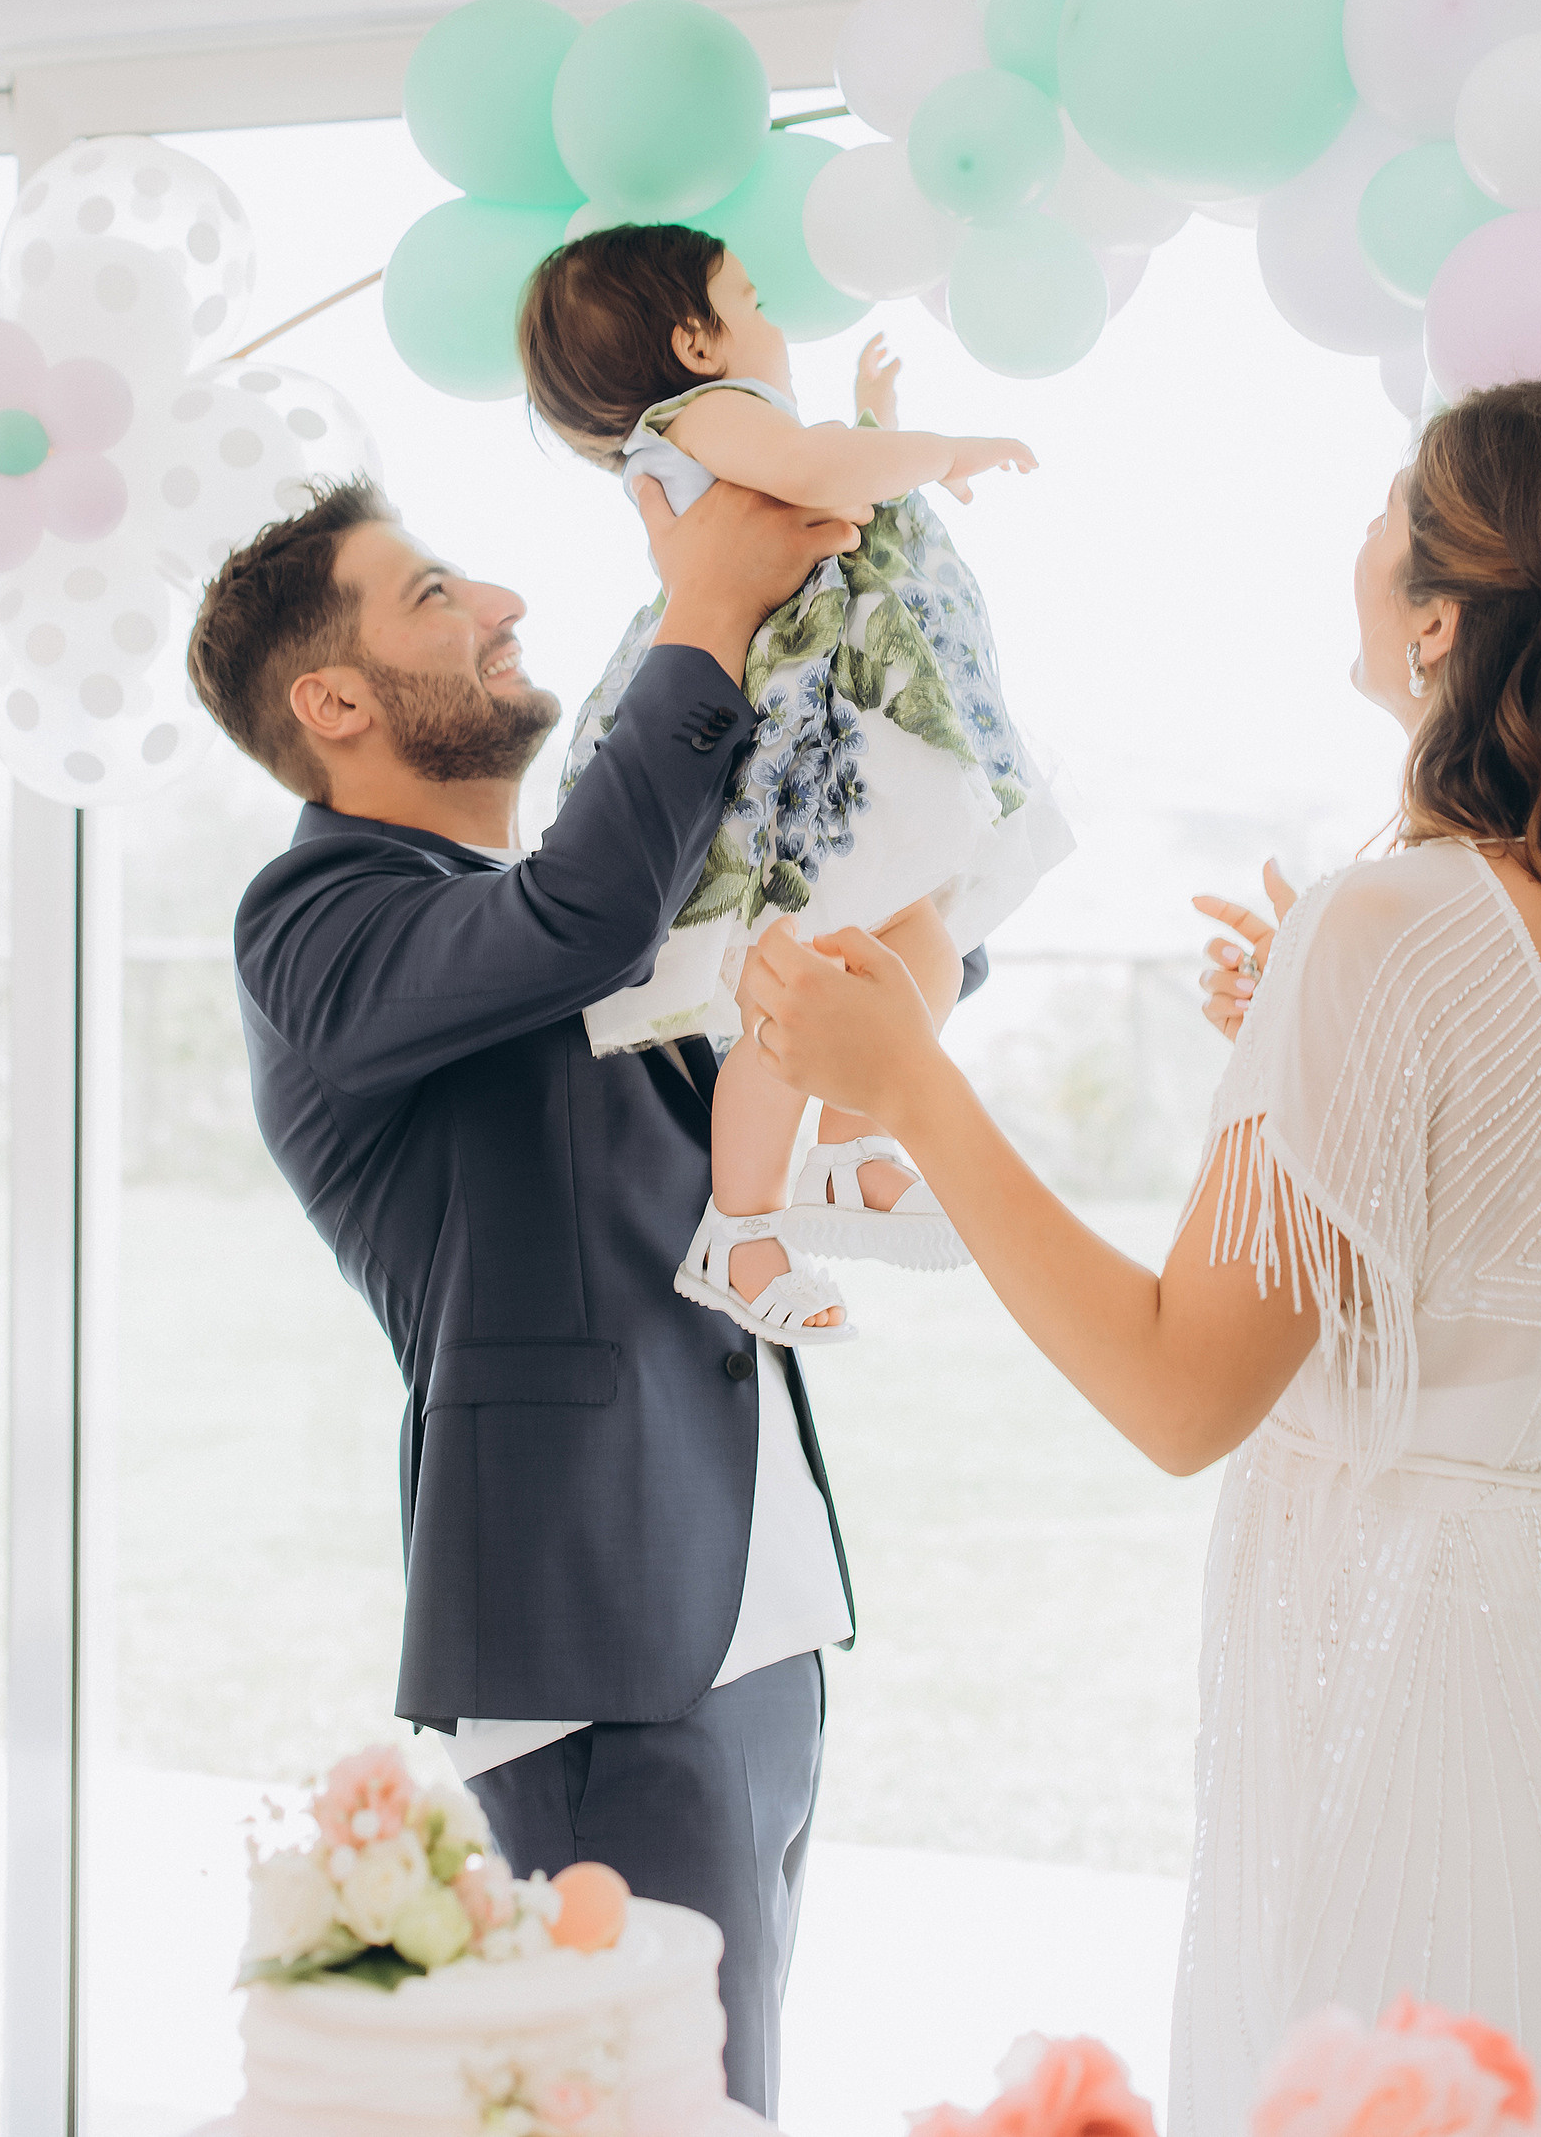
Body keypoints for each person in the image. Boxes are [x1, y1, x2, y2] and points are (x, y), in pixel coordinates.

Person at [738, 379, 1541, 2137]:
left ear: (1443, 618)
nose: (1361, 540)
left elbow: (1177, 1390)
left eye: (1389, 510)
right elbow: (1533, 1274)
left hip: (1415, 1704)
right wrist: (1313, 1042)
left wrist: (913, 1084)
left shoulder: (1396, 927)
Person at [185, 463, 978, 2115]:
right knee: (643, 2104)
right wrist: (705, 602)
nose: (502, 605)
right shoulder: (316, 922)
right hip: (599, 1643)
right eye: (433, 596)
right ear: (330, 701)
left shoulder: (562, 923)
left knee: (734, 2098)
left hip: (751, 1607)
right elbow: (588, 912)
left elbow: (735, 1019)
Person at [517, 223, 1067, 1343]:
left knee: (915, 944)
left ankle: (851, 1143)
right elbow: (822, 478)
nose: (773, 323)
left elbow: (827, 481)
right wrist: (932, 444)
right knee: (801, 979)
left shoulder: (743, 431)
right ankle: (743, 1224)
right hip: (792, 744)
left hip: (842, 724)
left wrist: (870, 429)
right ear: (693, 339)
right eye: (750, 297)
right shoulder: (699, 417)